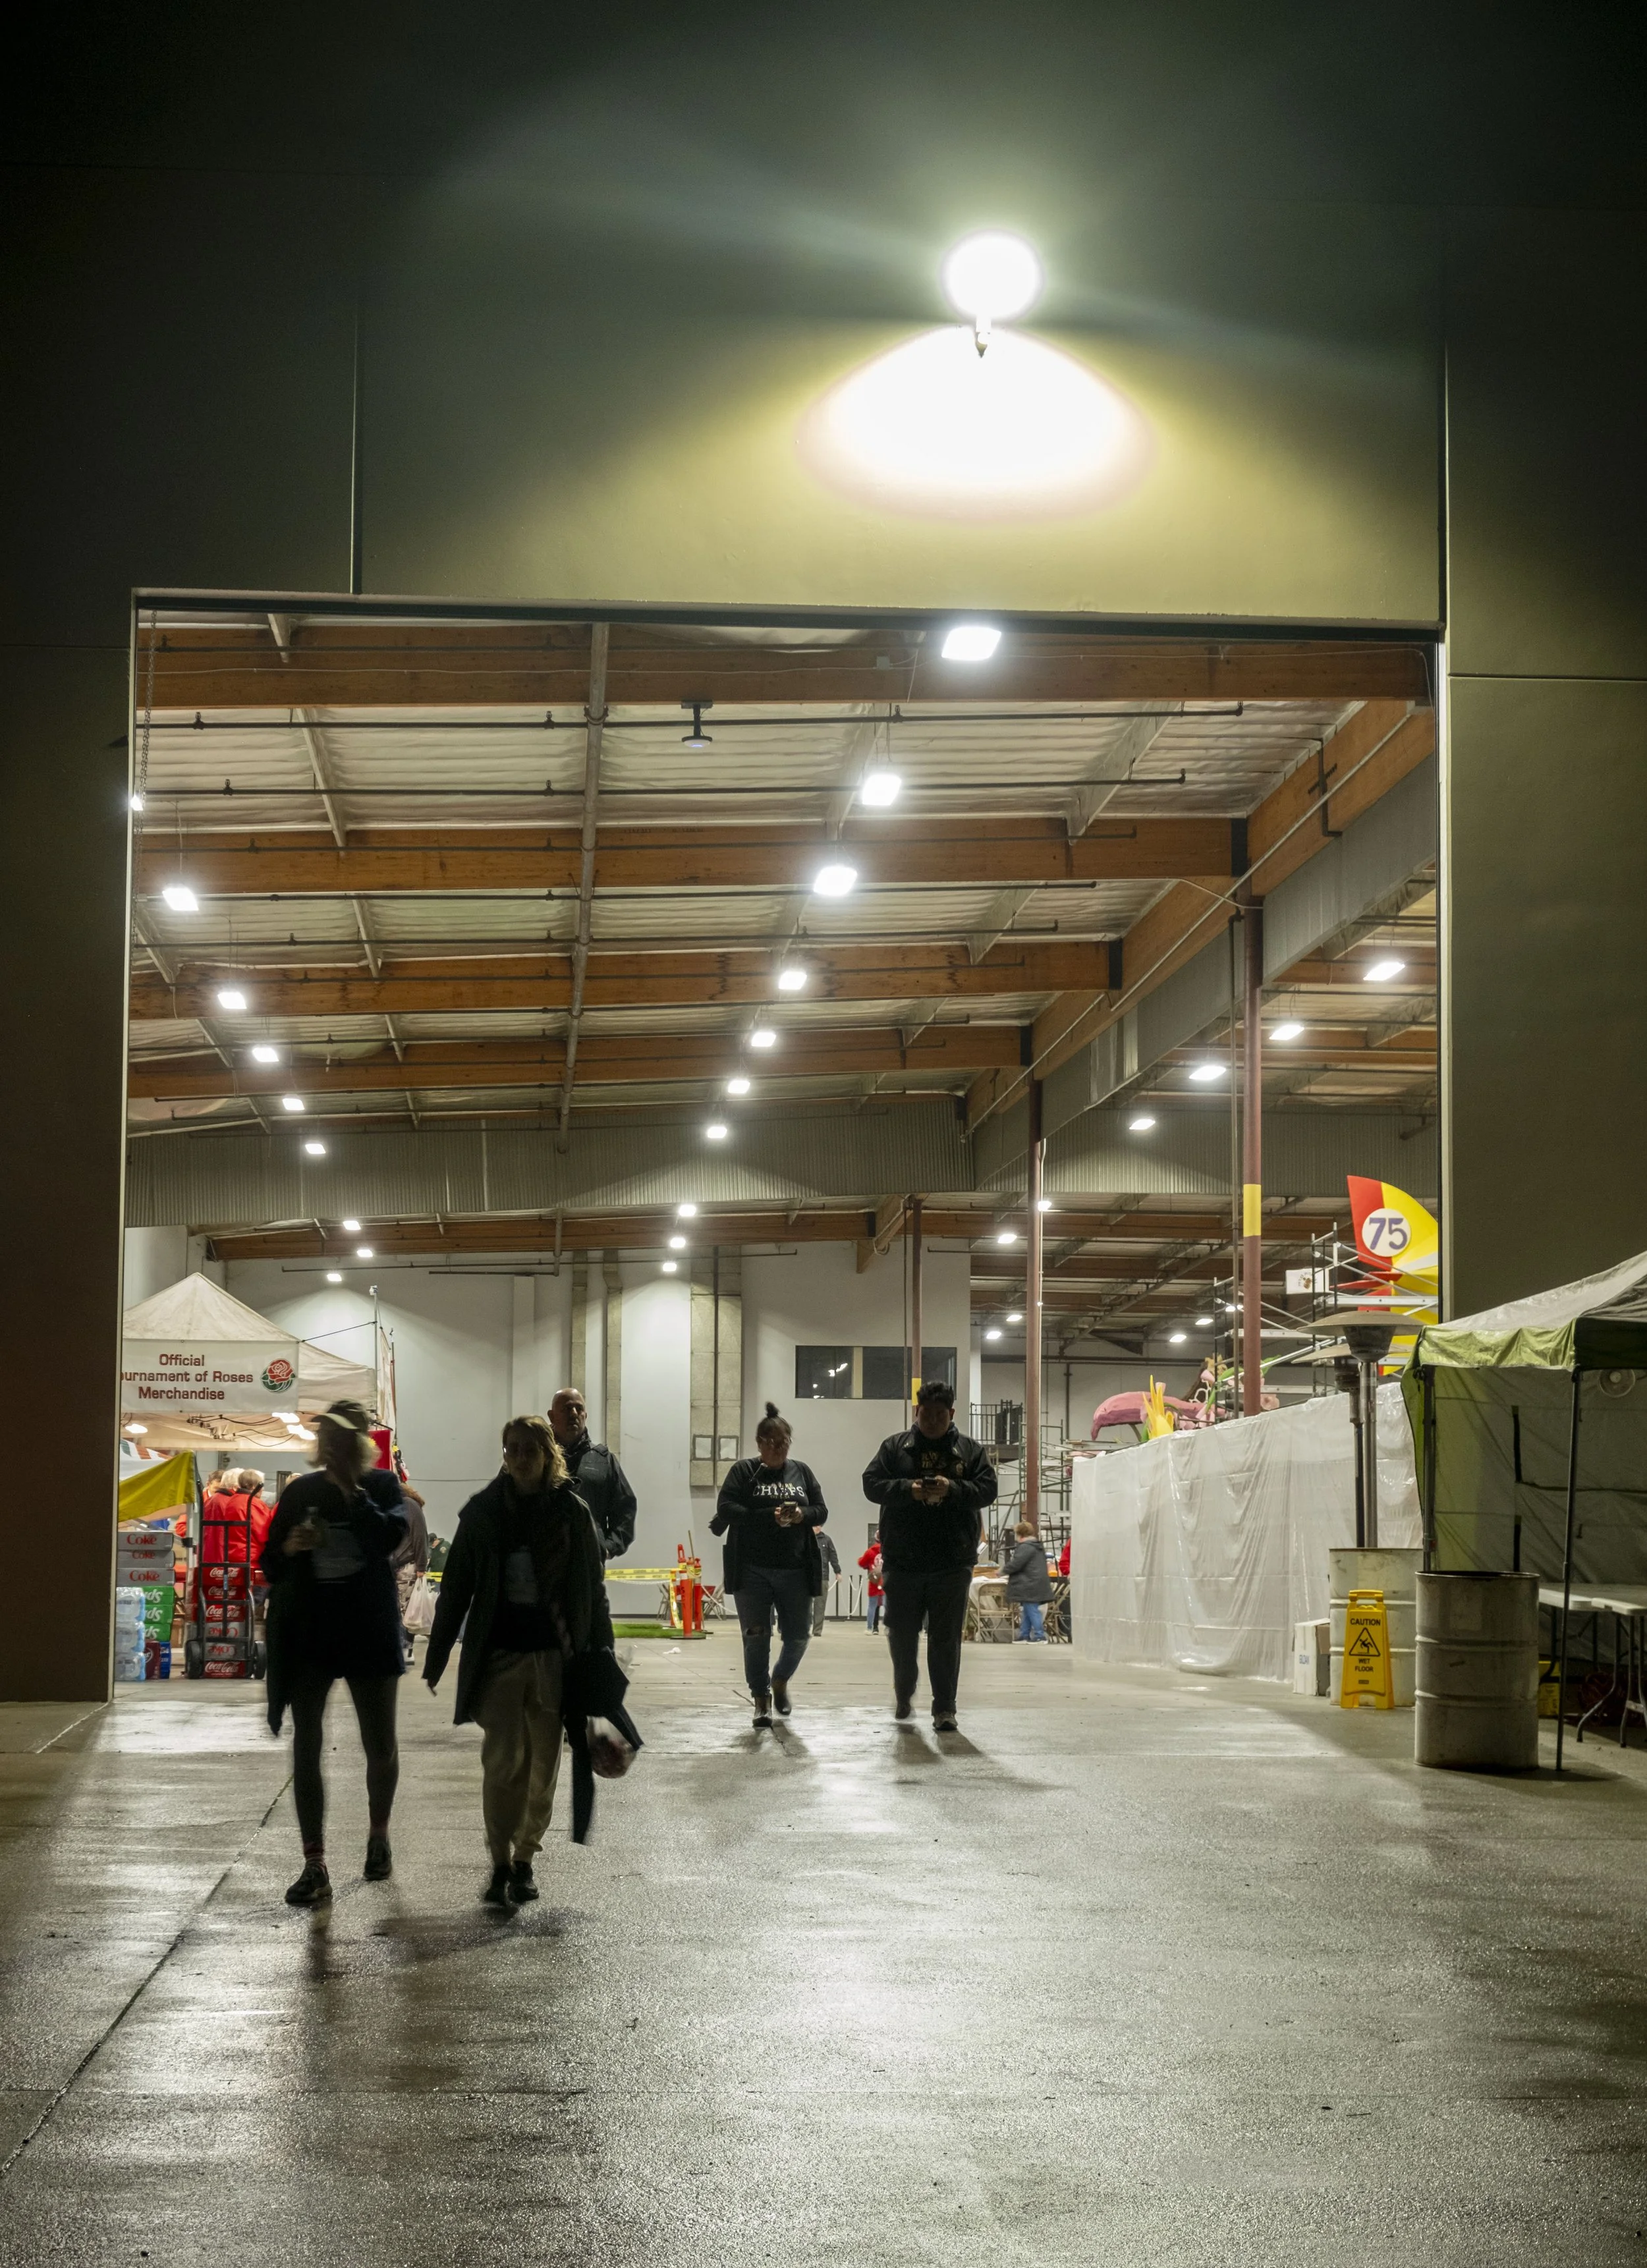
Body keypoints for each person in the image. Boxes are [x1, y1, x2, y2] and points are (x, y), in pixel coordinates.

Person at [425, 1415, 634, 1907]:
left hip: (554, 1659)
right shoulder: (482, 1513)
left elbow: (593, 1590)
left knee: (543, 1766)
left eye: (529, 1449)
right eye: (512, 1449)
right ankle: (499, 1863)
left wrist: (599, 1654)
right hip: (499, 1657)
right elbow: (456, 1587)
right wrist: (436, 1655)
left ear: (547, 1454)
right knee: (503, 1764)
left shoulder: (572, 1513)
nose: (520, 1458)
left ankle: (525, 1860)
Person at [260, 1398, 408, 1906]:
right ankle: (313, 1862)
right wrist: (291, 1548)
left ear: (363, 1443)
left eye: (345, 1439)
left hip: (368, 1631)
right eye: (329, 1438)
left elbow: (391, 1536)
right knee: (307, 1744)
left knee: (379, 1743)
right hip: (312, 1635)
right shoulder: (300, 1491)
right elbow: (269, 1561)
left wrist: (353, 1492)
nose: (335, 1447)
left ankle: (378, 1837)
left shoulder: (384, 1486)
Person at [862, 1379, 998, 1732]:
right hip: (903, 1561)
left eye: (941, 1415)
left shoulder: (970, 1451)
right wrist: (910, 1490)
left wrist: (953, 1489)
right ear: (916, 1412)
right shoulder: (895, 1448)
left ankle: (945, 1709)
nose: (933, 1421)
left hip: (952, 1562)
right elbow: (871, 1484)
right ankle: (905, 1691)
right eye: (927, 1414)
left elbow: (988, 1489)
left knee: (946, 1638)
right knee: (902, 1634)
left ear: (952, 1414)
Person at [712, 1402, 828, 1729]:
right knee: (756, 1635)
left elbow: (821, 1510)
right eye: (770, 1442)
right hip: (752, 1570)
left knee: (799, 1637)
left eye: (783, 1442)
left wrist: (802, 1515)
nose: (777, 1448)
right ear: (758, 1442)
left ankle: (779, 1679)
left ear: (790, 1441)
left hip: (795, 1569)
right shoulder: (744, 1472)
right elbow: (726, 1508)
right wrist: (768, 1516)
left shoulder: (802, 1472)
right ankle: (761, 1698)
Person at [548, 1387, 638, 1559]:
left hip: (589, 1566)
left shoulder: (603, 1460)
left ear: (585, 1416)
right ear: (552, 1416)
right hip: (544, 1567)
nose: (574, 1413)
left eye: (579, 1409)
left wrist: (609, 1548)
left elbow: (625, 1507)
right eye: (567, 1408)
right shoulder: (535, 1457)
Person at [1004, 1522, 1053, 1641]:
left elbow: (1017, 1563)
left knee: (1032, 1610)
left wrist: (1002, 1571)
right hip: (1034, 1583)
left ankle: (1039, 1636)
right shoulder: (1036, 1545)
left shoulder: (1026, 1546)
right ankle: (1024, 1635)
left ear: (1020, 1534)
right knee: (1026, 1610)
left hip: (1030, 1584)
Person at [811, 1526, 842, 1636]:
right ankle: (804, 1628)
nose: (818, 1527)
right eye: (815, 1525)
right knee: (805, 1604)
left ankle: (817, 1631)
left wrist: (837, 1571)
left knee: (820, 1605)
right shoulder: (805, 1538)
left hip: (822, 1576)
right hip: (806, 1576)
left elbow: (833, 1556)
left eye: (820, 1525)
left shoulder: (827, 1540)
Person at [858, 1536, 885, 1633]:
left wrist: (868, 1566)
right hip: (885, 1581)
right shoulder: (888, 1551)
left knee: (872, 1606)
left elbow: (861, 1563)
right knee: (888, 1606)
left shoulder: (870, 1552)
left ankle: (870, 1628)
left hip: (874, 1581)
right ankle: (889, 1628)